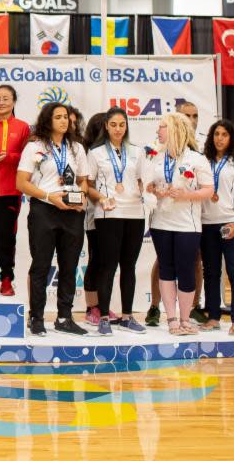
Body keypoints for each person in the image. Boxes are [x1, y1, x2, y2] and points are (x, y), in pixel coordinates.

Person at [16, 102, 90, 336]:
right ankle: (36, 318)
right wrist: (49, 196)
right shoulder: (34, 147)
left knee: (69, 266)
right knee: (41, 265)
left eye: (66, 117)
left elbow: (83, 181)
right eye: (57, 117)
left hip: (71, 213)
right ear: (47, 120)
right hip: (44, 210)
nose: (63, 121)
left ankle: (64, 317)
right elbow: (21, 183)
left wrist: (82, 197)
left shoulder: (77, 148)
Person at [142, 112, 213, 336]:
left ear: (174, 129)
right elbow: (148, 184)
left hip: (187, 224)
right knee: (166, 268)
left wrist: (186, 195)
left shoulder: (196, 159)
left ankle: (185, 319)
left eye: (162, 127)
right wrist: (152, 189)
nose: (158, 131)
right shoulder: (155, 157)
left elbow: (209, 190)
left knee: (186, 270)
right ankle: (171, 319)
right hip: (161, 221)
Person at [85, 107, 147, 335]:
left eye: (122, 124)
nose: (118, 129)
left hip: (134, 213)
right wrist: (101, 198)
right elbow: (87, 185)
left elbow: (142, 180)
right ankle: (102, 317)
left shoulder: (137, 152)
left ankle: (127, 316)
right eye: (114, 125)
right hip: (108, 214)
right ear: (106, 126)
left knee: (128, 266)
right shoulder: (96, 153)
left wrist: (144, 192)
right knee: (107, 266)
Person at [201, 118, 234, 335]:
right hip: (207, 223)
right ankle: (213, 317)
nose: (219, 138)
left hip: (232, 223)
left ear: (231, 138)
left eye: (224, 134)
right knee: (211, 272)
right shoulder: (204, 161)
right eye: (216, 134)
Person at [0, 85, 30, 298]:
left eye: (6, 98)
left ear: (14, 101)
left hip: (11, 190)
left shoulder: (23, 127)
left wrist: (9, 157)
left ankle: (7, 278)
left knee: (7, 237)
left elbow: (30, 158)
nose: (1, 102)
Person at [79, 111, 109, 327]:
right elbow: (87, 186)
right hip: (92, 213)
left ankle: (103, 305)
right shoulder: (88, 153)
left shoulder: (113, 152)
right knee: (96, 259)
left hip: (112, 213)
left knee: (107, 261)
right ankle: (91, 307)